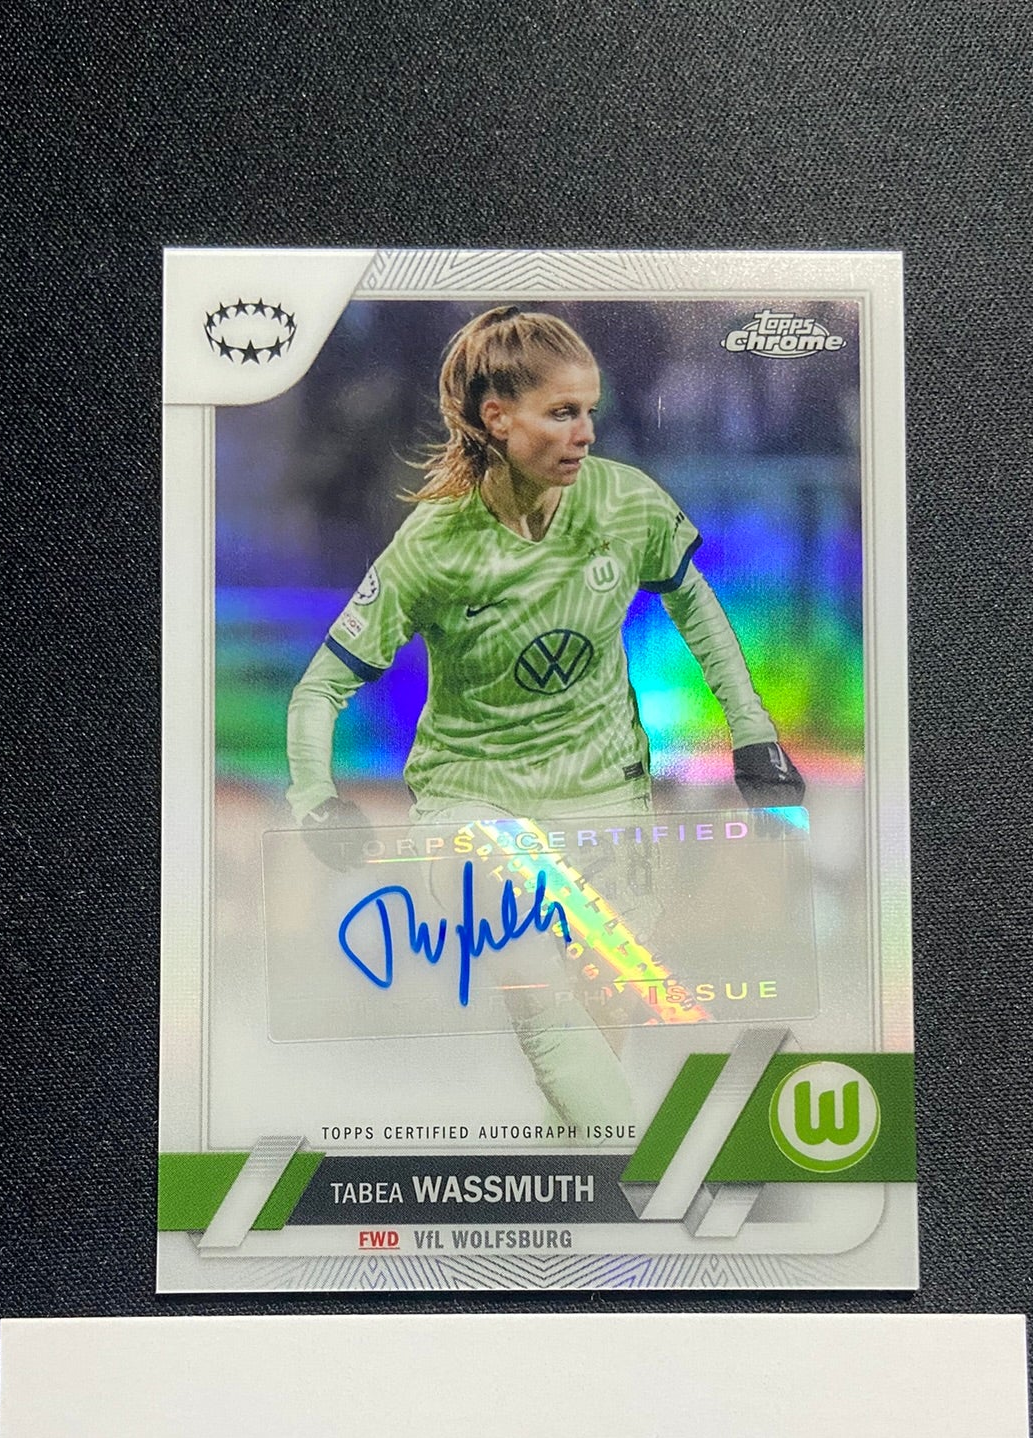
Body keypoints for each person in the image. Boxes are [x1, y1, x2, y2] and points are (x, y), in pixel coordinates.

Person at [285, 306, 805, 1126]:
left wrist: (752, 734)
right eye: (562, 412)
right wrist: (314, 798)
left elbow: (698, 611)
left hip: (604, 798)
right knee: (537, 985)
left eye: (589, 409)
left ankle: (590, 1172)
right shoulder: (433, 546)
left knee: (602, 1015)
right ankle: (641, 1167)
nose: (586, 431)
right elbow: (320, 688)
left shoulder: (626, 504)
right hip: (473, 802)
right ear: (498, 417)